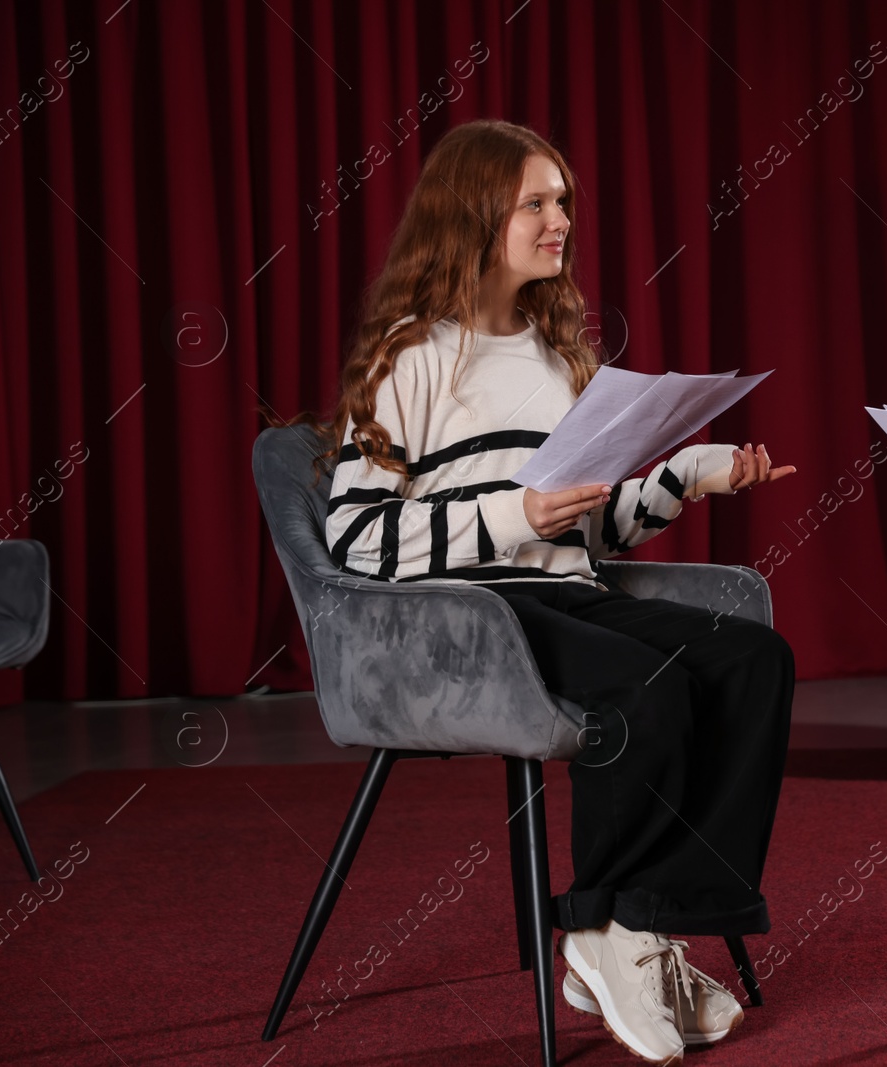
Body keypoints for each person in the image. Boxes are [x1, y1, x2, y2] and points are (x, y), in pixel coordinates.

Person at [302, 119, 797, 1064]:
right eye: (536, 201)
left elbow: (587, 525)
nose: (560, 218)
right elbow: (358, 541)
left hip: (567, 591)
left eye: (562, 199)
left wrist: (688, 475)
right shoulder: (410, 358)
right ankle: (602, 926)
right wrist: (513, 515)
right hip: (471, 617)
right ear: (475, 215)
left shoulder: (556, 355)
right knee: (644, 691)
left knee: (750, 660)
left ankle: (639, 927)